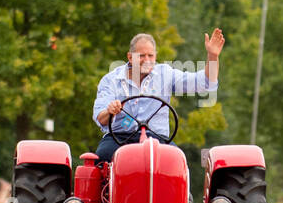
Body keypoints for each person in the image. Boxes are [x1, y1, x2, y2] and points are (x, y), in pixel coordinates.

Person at [92, 29, 224, 162]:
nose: (147, 60)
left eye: (151, 56)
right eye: (141, 56)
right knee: (102, 157)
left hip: (157, 139)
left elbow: (205, 83)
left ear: (155, 56)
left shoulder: (165, 74)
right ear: (130, 57)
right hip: (119, 137)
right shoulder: (111, 80)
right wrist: (110, 111)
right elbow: (100, 118)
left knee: (178, 161)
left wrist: (213, 56)